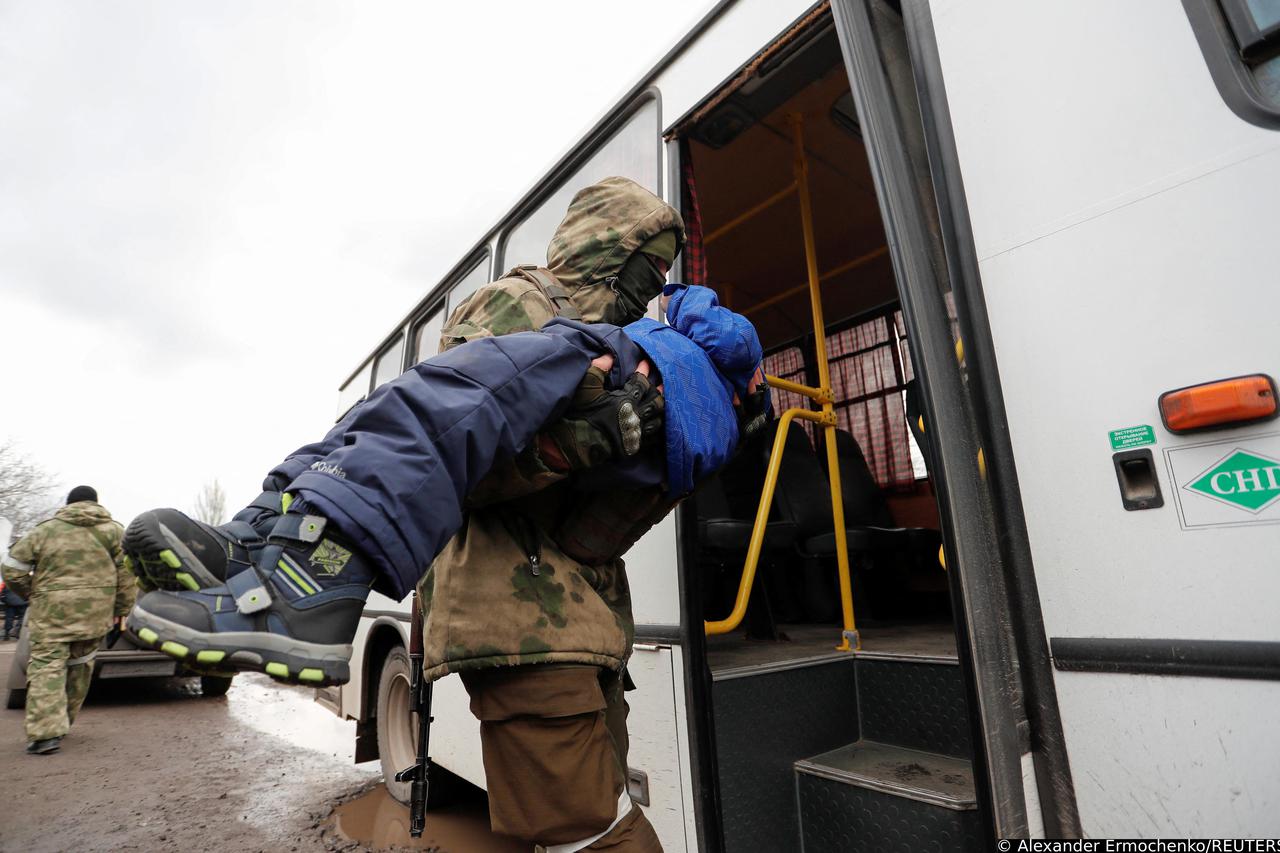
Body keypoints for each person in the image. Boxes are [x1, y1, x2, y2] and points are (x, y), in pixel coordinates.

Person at [122, 177, 767, 851]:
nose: (652, 286)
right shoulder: (525, 307)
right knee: (590, 830)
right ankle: (278, 543)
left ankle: (267, 538)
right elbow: (448, 449)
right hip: (525, 609)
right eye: (646, 267)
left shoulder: (632, 345)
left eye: (663, 273)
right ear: (608, 249)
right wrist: (580, 439)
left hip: (587, 610)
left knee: (596, 807)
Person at [0, 486, 135, 754]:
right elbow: (127, 576)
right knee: (80, 666)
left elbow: (12, 569)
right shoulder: (115, 532)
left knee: (46, 667)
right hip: (94, 614)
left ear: (68, 504)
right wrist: (120, 610)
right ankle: (63, 723)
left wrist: (32, 593)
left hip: (50, 614)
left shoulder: (44, 531)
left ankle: (45, 734)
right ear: (96, 503)